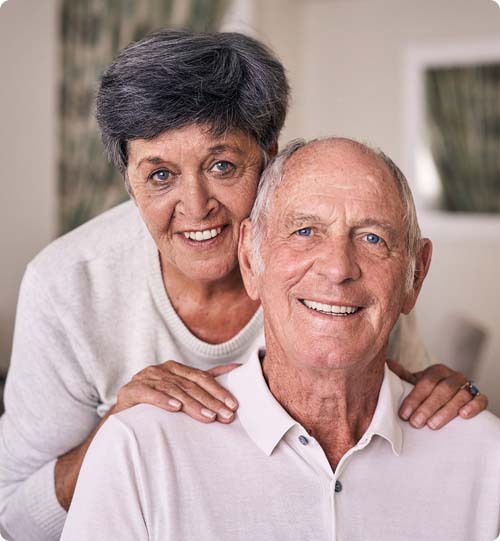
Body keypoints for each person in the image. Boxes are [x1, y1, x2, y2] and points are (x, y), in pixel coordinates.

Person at [0, 31, 487, 541]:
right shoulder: (68, 286)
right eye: (160, 175)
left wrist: (437, 394)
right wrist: (114, 433)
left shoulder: (336, 280)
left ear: (269, 157)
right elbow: (13, 517)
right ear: (128, 180)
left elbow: (398, 399)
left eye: (222, 166)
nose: (195, 205)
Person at [61, 138, 500, 541]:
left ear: (415, 275)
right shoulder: (138, 449)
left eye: (372, 238)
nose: (337, 268)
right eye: (305, 231)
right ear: (251, 260)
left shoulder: (485, 454)